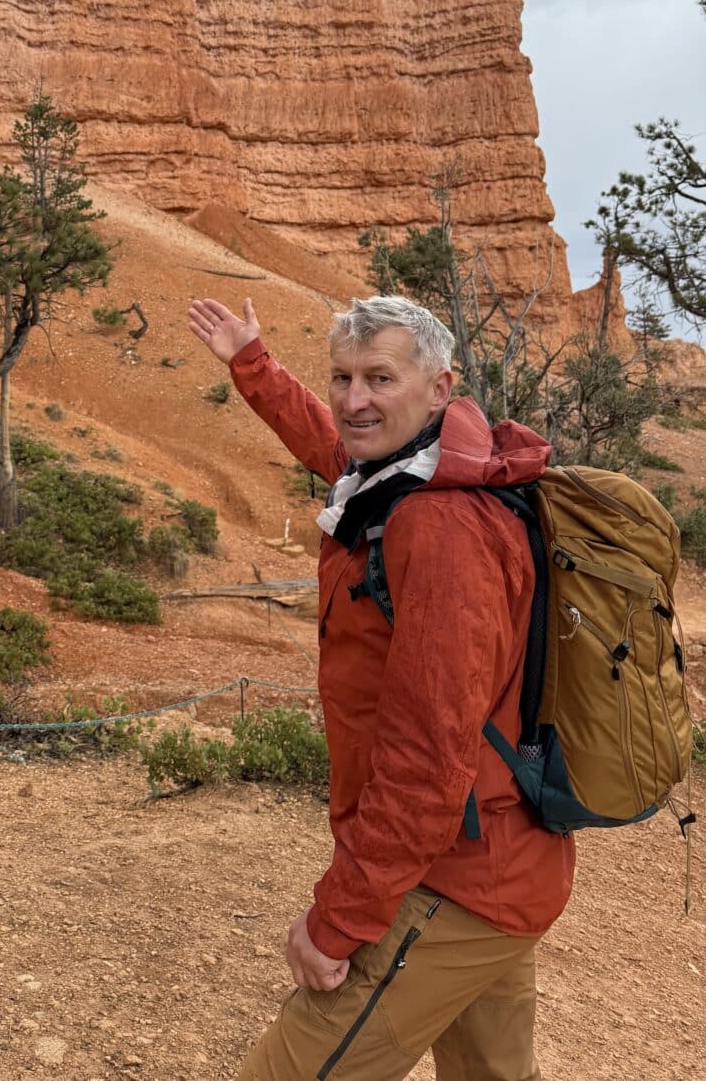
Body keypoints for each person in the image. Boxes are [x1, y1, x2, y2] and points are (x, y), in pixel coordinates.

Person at [187, 293, 574, 1081]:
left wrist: (338, 920)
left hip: (449, 879)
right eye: (343, 376)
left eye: (380, 378)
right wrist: (252, 362)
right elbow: (331, 441)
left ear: (439, 388)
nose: (355, 398)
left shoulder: (438, 527)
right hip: (504, 863)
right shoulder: (410, 471)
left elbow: (427, 761)